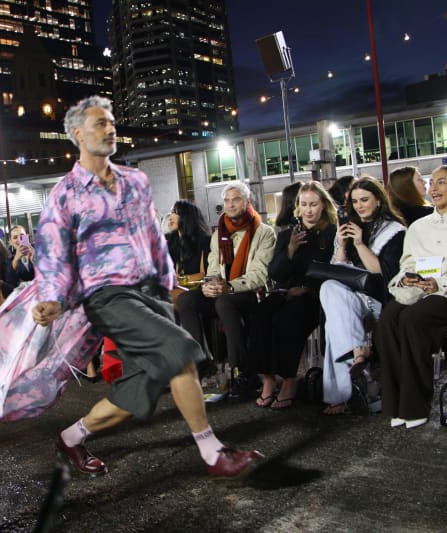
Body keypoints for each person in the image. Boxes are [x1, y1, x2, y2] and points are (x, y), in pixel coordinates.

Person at [32, 95, 265, 478]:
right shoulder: (66, 193)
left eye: (111, 122)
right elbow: (51, 252)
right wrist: (53, 298)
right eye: (100, 123)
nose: (110, 129)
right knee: (178, 352)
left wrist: (170, 287)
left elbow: (153, 241)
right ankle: (213, 454)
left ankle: (71, 438)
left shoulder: (135, 180)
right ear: (78, 134)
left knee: (138, 391)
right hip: (106, 296)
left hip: (149, 293)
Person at [375, 165, 447, 429]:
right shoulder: (418, 226)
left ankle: (415, 405)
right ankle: (395, 404)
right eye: (432, 183)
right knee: (387, 319)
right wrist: (407, 277)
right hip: (419, 290)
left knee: (412, 319)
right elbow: (408, 262)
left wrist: (440, 283)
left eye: (442, 182)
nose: (434, 188)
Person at [176, 181, 276, 399]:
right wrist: (209, 285)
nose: (230, 205)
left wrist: (228, 287)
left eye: (236, 199)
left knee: (224, 302)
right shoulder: (218, 233)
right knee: (186, 300)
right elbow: (213, 269)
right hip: (223, 290)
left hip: (251, 293)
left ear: (247, 202)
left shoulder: (264, 232)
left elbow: (260, 275)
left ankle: (241, 372)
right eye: (227, 201)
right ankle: (203, 364)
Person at [319, 176, 406, 415]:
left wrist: (359, 244)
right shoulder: (350, 226)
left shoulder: (394, 231)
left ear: (379, 200)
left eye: (365, 200)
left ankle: (341, 395)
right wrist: (342, 245)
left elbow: (383, 273)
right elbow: (338, 271)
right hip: (351, 297)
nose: (359, 206)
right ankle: (359, 353)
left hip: (379, 297)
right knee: (329, 289)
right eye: (355, 201)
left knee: (335, 323)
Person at [248, 181, 337, 408]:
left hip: (315, 294)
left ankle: (289, 379)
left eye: (313, 204)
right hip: (285, 290)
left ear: (323, 205)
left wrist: (307, 288)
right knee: (259, 315)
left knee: (287, 319)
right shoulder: (288, 234)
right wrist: (290, 249)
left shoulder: (331, 233)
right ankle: (268, 378)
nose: (308, 210)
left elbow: (331, 269)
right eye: (304, 204)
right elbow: (275, 273)